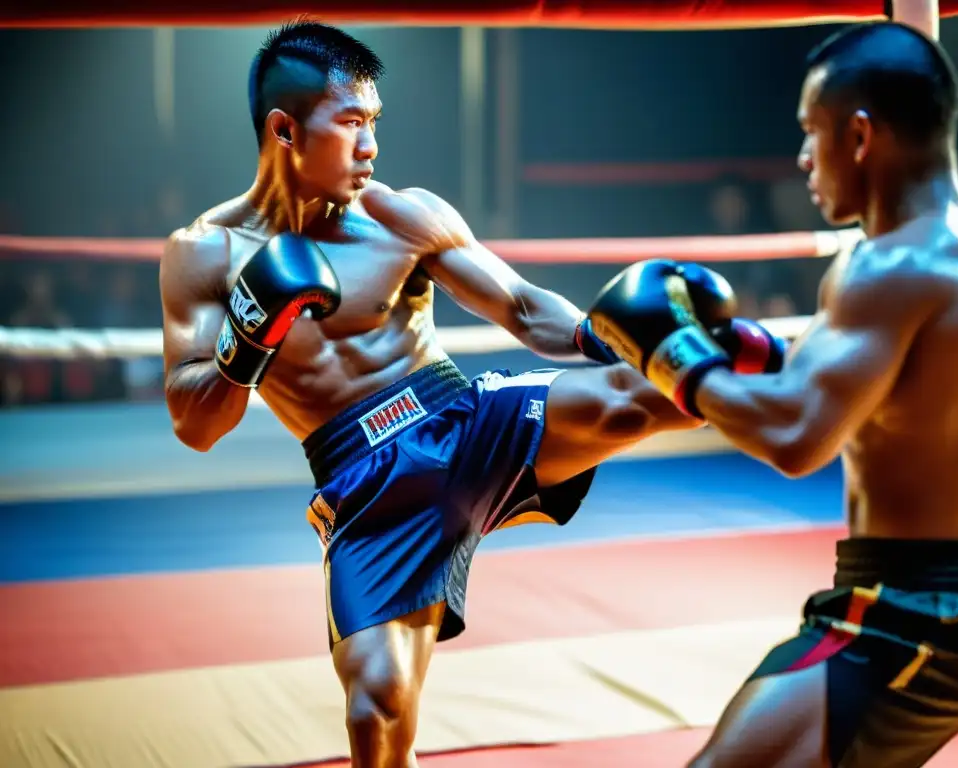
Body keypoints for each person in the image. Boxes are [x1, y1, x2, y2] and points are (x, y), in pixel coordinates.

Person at [158, 20, 784, 768]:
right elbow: (196, 426)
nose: (371, 147)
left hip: (459, 419)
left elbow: (521, 308)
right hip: (363, 486)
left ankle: (778, 375)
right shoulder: (205, 252)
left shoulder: (400, 216)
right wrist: (246, 342)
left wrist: (604, 333)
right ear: (285, 129)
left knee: (626, 396)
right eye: (351, 124)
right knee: (376, 710)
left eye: (375, 123)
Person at [587, 20, 958, 768]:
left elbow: (796, 435)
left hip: (911, 615)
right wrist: (749, 350)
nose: (801, 158)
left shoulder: (889, 265)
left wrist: (673, 355)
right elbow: (889, 385)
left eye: (809, 132)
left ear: (859, 136)